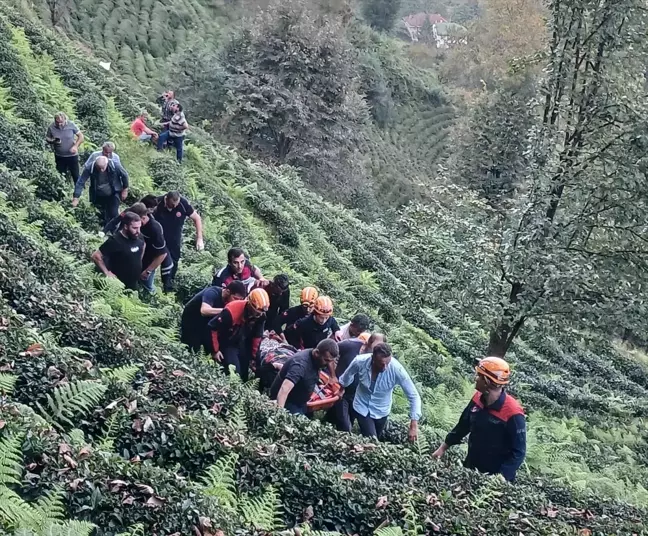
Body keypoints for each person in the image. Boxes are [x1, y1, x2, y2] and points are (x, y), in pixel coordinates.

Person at [432, 357, 526, 483]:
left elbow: (518, 452)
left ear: (488, 381)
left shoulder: (513, 412)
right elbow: (462, 426)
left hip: (494, 480)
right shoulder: (477, 398)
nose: (475, 378)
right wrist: (443, 448)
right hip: (470, 469)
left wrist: (500, 479)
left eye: (479, 376)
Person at [339, 343, 421, 441]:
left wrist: (413, 425)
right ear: (373, 358)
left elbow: (414, 396)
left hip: (382, 410)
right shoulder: (359, 361)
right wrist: (342, 388)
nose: (385, 367)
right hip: (362, 406)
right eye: (382, 364)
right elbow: (347, 376)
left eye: (388, 363)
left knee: (374, 438)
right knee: (372, 440)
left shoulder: (397, 370)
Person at [327, 332, 385, 432]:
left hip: (357, 395)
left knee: (346, 420)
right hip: (341, 389)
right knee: (345, 427)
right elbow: (328, 351)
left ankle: (326, 422)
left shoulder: (379, 360)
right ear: (368, 343)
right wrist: (332, 375)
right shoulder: (350, 345)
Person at [209, 288, 270, 381]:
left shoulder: (261, 316)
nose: (258, 315)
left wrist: (253, 358)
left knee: (244, 374)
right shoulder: (231, 311)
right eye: (256, 313)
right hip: (227, 341)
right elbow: (212, 327)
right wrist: (215, 350)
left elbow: (257, 337)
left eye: (261, 313)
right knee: (234, 372)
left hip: (242, 341)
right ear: (249, 304)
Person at [147, 192, 204, 291]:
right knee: (152, 259)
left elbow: (196, 218)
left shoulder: (183, 203)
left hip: (175, 238)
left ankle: (168, 287)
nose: (174, 206)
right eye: (171, 204)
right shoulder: (157, 202)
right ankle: (147, 284)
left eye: (176, 204)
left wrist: (199, 238)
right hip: (158, 237)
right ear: (166, 199)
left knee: (173, 263)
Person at [270, 339, 339, 416]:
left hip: (301, 400)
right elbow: (284, 389)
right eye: (326, 360)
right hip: (288, 401)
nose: (328, 364)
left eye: (330, 361)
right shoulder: (300, 365)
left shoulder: (317, 357)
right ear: (317, 353)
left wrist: (333, 376)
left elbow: (330, 360)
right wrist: (280, 414)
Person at [180, 281, 247, 354]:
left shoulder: (227, 301)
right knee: (192, 349)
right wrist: (227, 311)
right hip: (191, 321)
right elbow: (204, 311)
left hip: (206, 323)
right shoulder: (212, 292)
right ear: (228, 291)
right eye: (235, 298)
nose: (237, 302)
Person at [91, 212, 145, 290]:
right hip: (117, 285)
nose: (138, 231)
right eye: (135, 228)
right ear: (126, 226)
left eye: (139, 227)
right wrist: (106, 272)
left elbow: (142, 247)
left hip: (133, 284)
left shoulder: (139, 237)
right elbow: (95, 256)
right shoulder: (115, 241)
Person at [72, 155, 129, 225]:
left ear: (107, 163)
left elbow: (124, 175)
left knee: (113, 214)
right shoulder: (90, 168)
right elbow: (80, 182)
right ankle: (102, 232)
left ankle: (115, 231)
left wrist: (125, 189)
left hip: (113, 193)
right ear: (95, 164)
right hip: (97, 194)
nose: (101, 170)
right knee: (99, 215)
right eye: (99, 168)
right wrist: (76, 197)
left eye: (103, 168)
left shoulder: (115, 166)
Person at [45, 112, 84, 184]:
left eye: (61, 122)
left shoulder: (71, 125)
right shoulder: (51, 127)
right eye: (57, 122)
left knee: (75, 175)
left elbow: (81, 136)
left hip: (72, 155)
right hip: (59, 156)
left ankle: (78, 192)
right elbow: (47, 138)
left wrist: (75, 146)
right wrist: (53, 141)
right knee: (61, 175)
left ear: (65, 119)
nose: (59, 124)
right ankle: (63, 191)